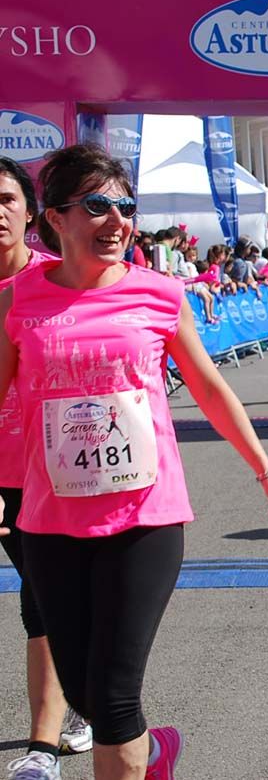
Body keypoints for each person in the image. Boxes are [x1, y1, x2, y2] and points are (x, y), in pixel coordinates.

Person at [0, 144, 268, 780]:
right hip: (50, 520)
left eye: (125, 207)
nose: (116, 220)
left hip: (145, 517)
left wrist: (264, 469)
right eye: (97, 206)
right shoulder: (18, 299)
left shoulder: (159, 292)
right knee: (83, 692)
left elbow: (211, 387)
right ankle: (155, 752)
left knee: (112, 697)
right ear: (54, 217)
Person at [0, 156, 95, 780]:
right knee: (48, 604)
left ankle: (52, 736)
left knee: (48, 602)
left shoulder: (60, 278)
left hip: (56, 470)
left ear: (33, 212)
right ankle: (68, 715)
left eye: (4, 199)